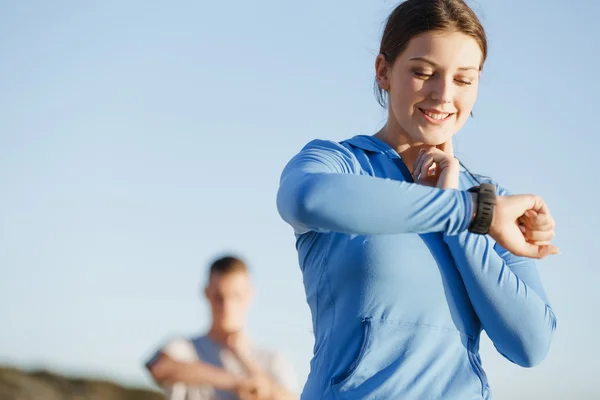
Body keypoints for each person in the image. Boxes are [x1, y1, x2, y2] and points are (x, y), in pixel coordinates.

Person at [276, 1, 558, 399]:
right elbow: (306, 199)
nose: (443, 95)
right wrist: (469, 213)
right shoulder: (340, 164)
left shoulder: (490, 201)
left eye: (464, 79)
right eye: (423, 73)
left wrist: (464, 216)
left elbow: (530, 345)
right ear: (383, 71)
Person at [145, 255, 298, 400]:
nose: (227, 306)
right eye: (219, 297)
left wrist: (244, 359)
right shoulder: (184, 348)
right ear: (207, 293)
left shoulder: (272, 359)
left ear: (250, 294)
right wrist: (236, 383)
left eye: (236, 296)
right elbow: (160, 368)